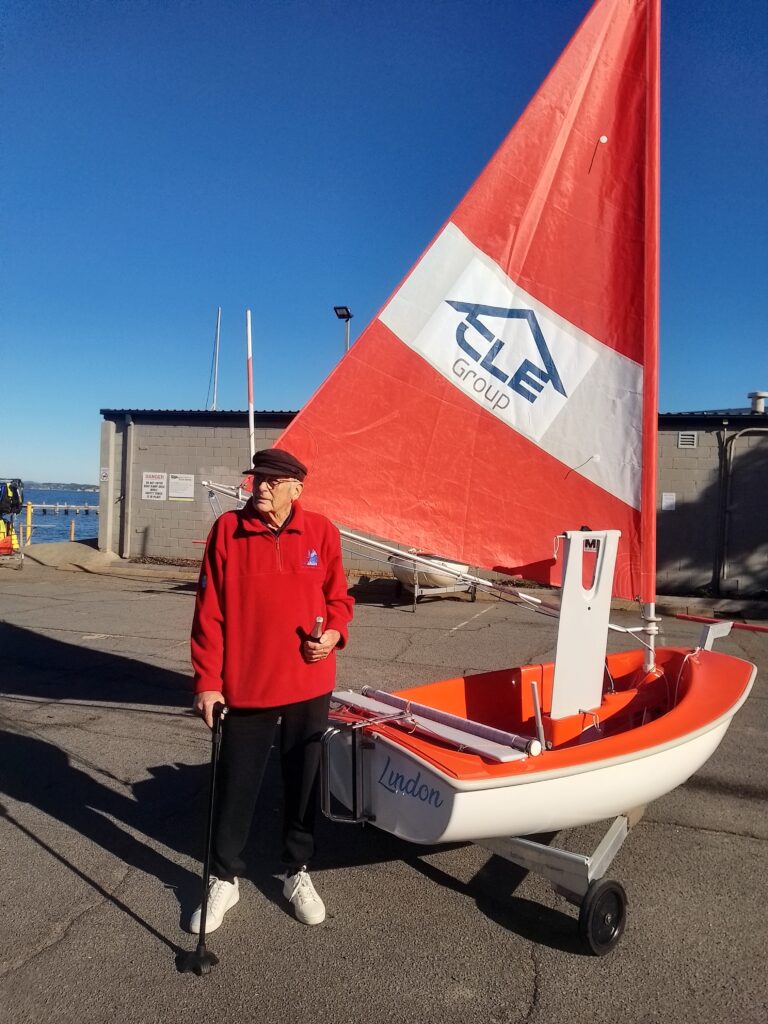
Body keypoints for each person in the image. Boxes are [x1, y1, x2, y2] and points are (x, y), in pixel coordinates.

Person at [189, 447, 353, 933]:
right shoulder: (227, 531)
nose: (259, 486)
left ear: (296, 488)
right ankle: (224, 878)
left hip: (309, 681)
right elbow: (208, 612)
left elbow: (339, 596)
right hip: (245, 685)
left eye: (272, 480)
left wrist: (334, 634)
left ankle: (296, 871)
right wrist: (207, 683)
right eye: (257, 478)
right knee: (235, 784)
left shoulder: (321, 531)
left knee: (303, 780)